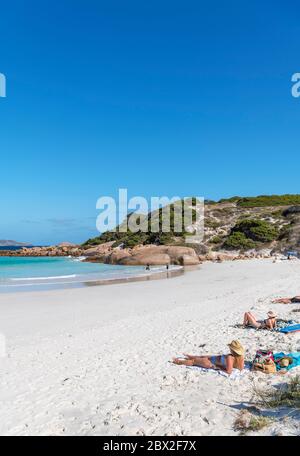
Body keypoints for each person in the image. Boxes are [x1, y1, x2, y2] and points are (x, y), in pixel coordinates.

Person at [172, 340, 245, 374]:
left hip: (211, 362)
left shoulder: (230, 357)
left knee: (194, 362)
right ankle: (190, 356)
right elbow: (241, 368)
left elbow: (229, 371)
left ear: (232, 349)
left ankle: (178, 362)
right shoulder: (241, 356)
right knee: (202, 356)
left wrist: (219, 368)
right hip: (215, 359)